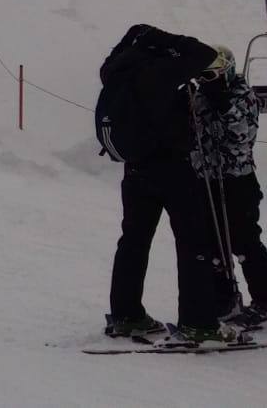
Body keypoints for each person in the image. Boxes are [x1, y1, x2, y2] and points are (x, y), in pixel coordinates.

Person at [100, 26, 245, 345]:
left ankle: (126, 315)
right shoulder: (161, 69)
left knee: (134, 241)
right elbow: (205, 55)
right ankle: (199, 323)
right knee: (195, 242)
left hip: (135, 168)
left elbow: (132, 37)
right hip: (171, 166)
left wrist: (142, 36)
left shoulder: (116, 69)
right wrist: (164, 40)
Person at [191, 47, 267, 327]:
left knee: (244, 240)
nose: (207, 82)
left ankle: (264, 297)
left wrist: (224, 105)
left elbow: (242, 137)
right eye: (203, 77)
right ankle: (223, 298)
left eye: (212, 75)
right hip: (207, 178)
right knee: (213, 244)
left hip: (237, 179)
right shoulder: (200, 96)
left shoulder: (243, 95)